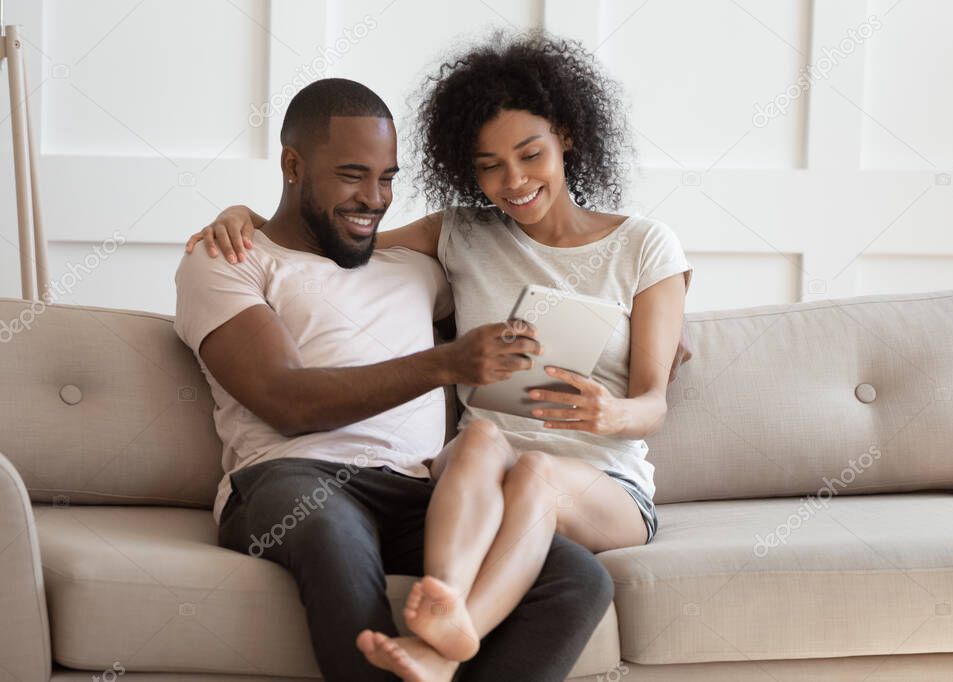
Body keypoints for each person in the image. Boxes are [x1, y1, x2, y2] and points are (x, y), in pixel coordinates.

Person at [188, 32, 694, 680]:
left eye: (529, 154)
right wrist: (245, 218)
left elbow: (652, 400)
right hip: (405, 474)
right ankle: (445, 606)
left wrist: (613, 408)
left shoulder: (642, 244)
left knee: (573, 566)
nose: (511, 181)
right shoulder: (458, 237)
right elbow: (332, 243)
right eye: (488, 164)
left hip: (580, 477)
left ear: (566, 135)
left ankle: (441, 639)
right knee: (478, 442)